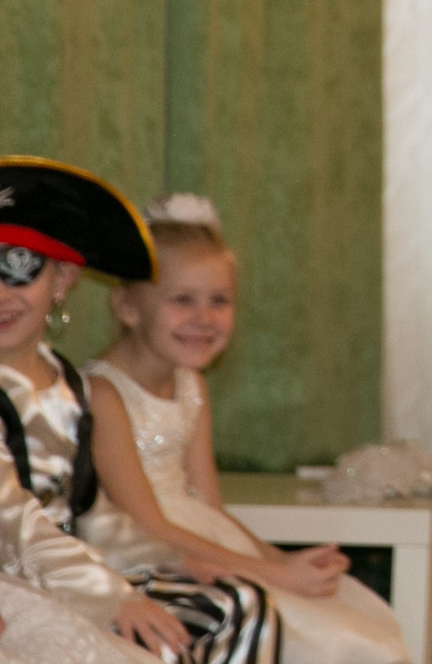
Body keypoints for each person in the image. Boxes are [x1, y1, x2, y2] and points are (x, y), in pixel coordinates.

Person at [83, 195, 407, 663]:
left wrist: (280, 560)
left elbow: (211, 509)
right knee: (321, 638)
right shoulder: (103, 393)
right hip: (147, 559)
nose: (204, 318)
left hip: (204, 544)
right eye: (182, 300)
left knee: (355, 623)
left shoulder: (191, 386)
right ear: (128, 307)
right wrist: (270, 575)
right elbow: (148, 525)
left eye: (220, 301)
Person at [0, 158, 278, 663]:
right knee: (154, 649)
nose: (1, 294)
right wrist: (113, 595)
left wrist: (173, 559)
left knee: (238, 604)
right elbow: (15, 520)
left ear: (62, 280)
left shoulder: (69, 386)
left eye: (18, 269)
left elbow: (91, 512)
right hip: (14, 583)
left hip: (76, 565)